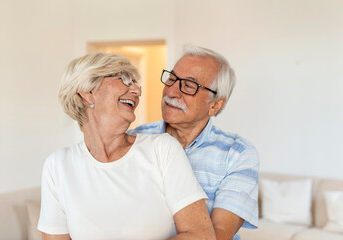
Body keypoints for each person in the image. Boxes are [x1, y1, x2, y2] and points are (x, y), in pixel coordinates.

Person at [37, 52, 215, 240]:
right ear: (88, 93)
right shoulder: (58, 166)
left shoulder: (162, 149)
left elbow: (201, 236)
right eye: (124, 79)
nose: (137, 91)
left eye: (136, 83)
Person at [128, 44, 259, 240]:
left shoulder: (238, 154)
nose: (171, 92)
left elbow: (218, 235)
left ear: (215, 105)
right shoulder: (134, 139)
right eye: (171, 79)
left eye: (189, 86)